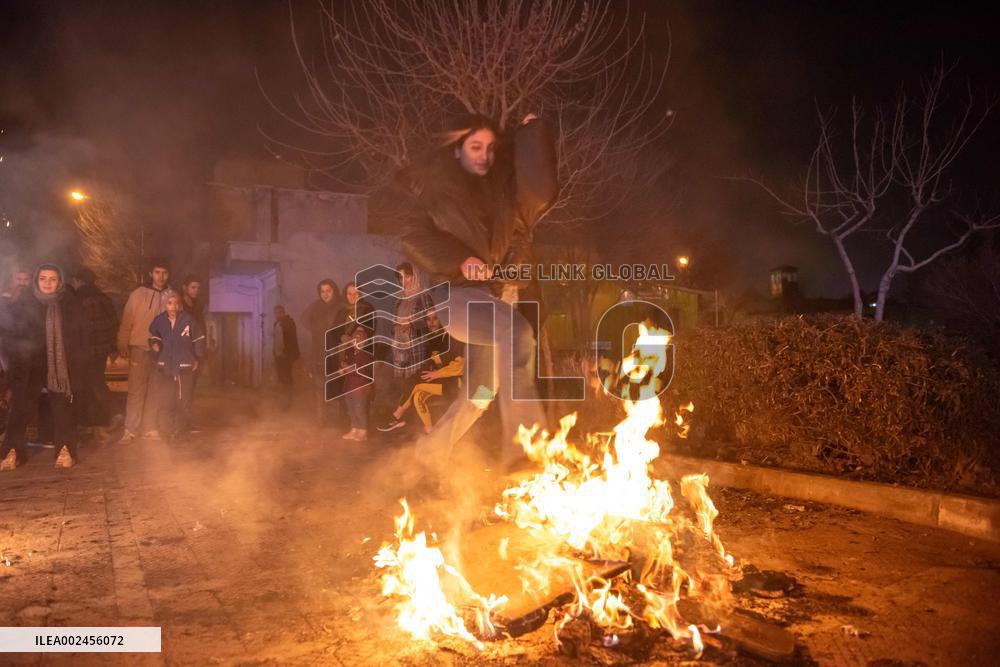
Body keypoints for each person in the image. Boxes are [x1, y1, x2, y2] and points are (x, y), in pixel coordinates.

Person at [398, 112, 558, 469]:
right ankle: (525, 447)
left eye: (490, 147)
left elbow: (538, 195)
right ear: (457, 150)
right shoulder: (435, 193)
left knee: (480, 394)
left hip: (495, 301)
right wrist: (461, 259)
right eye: (475, 147)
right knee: (515, 331)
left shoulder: (504, 200)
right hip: (457, 296)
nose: (484, 155)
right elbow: (412, 237)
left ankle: (429, 452)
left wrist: (532, 137)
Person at [1, 265, 86, 470]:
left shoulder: (69, 305)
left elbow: (81, 337)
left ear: (60, 282)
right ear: (36, 281)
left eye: (52, 279)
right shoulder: (23, 305)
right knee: (20, 408)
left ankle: (66, 449)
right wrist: (13, 365)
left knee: (63, 409)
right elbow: (11, 336)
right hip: (29, 366)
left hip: (59, 366)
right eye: (43, 279)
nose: (47, 283)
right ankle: (12, 451)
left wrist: (78, 365)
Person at [115, 258, 175, 444]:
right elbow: (127, 319)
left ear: (168, 275)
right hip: (140, 348)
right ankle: (130, 430)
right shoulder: (138, 294)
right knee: (136, 390)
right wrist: (122, 343)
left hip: (162, 351)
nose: (160, 277)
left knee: (156, 391)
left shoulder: (172, 295)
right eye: (157, 272)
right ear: (151, 274)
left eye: (164, 273)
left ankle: (150, 428)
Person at [378, 308, 465, 435]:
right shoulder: (432, 339)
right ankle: (429, 430)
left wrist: (437, 373)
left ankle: (397, 416)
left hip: (452, 385)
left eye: (435, 318)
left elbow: (461, 366)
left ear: (442, 320)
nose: (431, 322)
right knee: (418, 396)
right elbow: (429, 362)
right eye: (428, 319)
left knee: (415, 382)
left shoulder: (451, 338)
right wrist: (428, 370)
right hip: (439, 382)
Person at [70, 267, 120, 433]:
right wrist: (112, 347)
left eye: (74, 280)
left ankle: (107, 415)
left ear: (79, 281)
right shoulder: (103, 298)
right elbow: (113, 324)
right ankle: (101, 419)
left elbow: (82, 328)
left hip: (85, 350)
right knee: (96, 382)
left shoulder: (79, 299)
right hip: (101, 350)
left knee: (88, 385)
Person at [149, 292, 205, 441]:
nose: (173, 306)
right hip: (166, 366)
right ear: (165, 305)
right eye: (169, 303)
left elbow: (199, 339)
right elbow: (154, 336)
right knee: (165, 400)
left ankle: (179, 431)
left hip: (184, 366)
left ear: (180, 305)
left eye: (176, 303)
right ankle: (166, 432)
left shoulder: (188, 320)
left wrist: (197, 358)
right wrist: (155, 344)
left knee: (183, 401)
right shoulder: (159, 320)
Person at [302, 278, 341, 426]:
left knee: (336, 387)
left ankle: (338, 421)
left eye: (328, 291)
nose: (325, 294)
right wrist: (316, 329)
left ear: (334, 291)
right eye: (322, 291)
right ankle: (321, 420)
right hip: (319, 353)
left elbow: (349, 326)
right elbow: (304, 319)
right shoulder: (316, 306)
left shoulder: (341, 306)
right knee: (319, 387)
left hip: (336, 353)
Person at [391, 262, 435, 380]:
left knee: (414, 380)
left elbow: (432, 321)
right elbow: (393, 321)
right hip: (399, 348)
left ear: (415, 276)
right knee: (401, 382)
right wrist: (395, 327)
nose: (404, 281)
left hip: (416, 347)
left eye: (407, 276)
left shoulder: (424, 296)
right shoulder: (399, 299)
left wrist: (412, 324)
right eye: (401, 277)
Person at [340, 326, 374, 441]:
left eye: (359, 339)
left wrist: (346, 367)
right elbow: (346, 366)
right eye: (354, 339)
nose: (356, 342)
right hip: (349, 387)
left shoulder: (364, 355)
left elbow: (359, 371)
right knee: (352, 410)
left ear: (364, 341)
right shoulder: (353, 353)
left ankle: (363, 431)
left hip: (359, 388)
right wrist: (343, 368)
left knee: (359, 410)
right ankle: (354, 429)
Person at [272, 305, 300, 407]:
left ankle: (288, 401)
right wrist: (274, 352)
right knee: (281, 377)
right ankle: (283, 399)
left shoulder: (289, 322)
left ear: (283, 313)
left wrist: (287, 352)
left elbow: (292, 339)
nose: (278, 314)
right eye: (276, 313)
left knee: (287, 377)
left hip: (286, 355)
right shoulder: (276, 324)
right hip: (278, 355)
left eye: (280, 312)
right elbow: (276, 339)